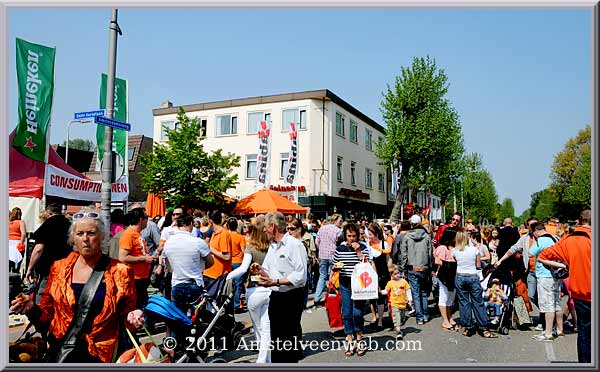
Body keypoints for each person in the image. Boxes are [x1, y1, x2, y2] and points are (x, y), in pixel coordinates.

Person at [10, 208, 145, 362]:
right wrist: (32, 309)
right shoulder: (59, 269)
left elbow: (128, 319)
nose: (85, 239)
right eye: (80, 234)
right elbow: (47, 320)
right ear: (72, 238)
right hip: (62, 352)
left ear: (102, 237)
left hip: (101, 355)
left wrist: (133, 317)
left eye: (91, 233)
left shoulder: (120, 272)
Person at [252, 212, 307, 363]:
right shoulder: (273, 246)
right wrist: (260, 272)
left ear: (273, 227)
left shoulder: (295, 245)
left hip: (292, 296)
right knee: (276, 338)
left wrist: (275, 281)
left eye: (265, 228)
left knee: (288, 338)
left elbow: (300, 276)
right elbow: (269, 270)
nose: (263, 231)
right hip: (276, 296)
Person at [537, 209, 591, 362]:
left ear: (579, 222)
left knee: (585, 332)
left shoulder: (568, 240)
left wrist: (566, 266)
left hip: (580, 292)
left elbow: (542, 256)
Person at [227, 215, 272, 363]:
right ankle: (266, 360)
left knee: (259, 328)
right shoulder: (273, 247)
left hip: (254, 291)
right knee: (266, 329)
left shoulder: (250, 247)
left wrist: (226, 277)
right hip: (270, 289)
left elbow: (243, 269)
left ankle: (261, 360)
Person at [330, 222, 370, 357]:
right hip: (345, 282)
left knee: (358, 313)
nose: (351, 239)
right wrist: (335, 268)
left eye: (354, 236)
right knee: (346, 312)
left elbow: (367, 264)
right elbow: (333, 264)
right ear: (345, 236)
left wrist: (358, 251)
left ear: (358, 236)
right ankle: (349, 338)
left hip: (359, 283)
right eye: (349, 236)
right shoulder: (340, 249)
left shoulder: (363, 247)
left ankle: (359, 337)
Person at [162, 214, 214, 315]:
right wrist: (200, 268)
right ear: (190, 224)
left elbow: (167, 264)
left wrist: (178, 270)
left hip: (177, 283)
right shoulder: (197, 242)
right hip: (195, 283)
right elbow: (210, 261)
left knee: (178, 318)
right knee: (197, 318)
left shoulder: (168, 243)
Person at [495, 218, 540, 328]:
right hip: (521, 269)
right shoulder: (521, 237)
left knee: (514, 292)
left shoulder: (542, 238)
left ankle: (508, 318)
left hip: (514, 268)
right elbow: (514, 249)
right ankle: (522, 319)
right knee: (522, 293)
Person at [452, 231, 496, 338]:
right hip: (472, 276)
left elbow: (455, 262)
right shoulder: (474, 250)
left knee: (464, 302)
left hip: (460, 276)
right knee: (478, 302)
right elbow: (478, 265)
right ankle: (483, 327)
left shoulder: (454, 251)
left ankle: (468, 327)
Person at [26, 204, 72, 303]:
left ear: (48, 213)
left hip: (48, 268)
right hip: (67, 267)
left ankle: (40, 316)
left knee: (43, 296)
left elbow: (38, 249)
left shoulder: (48, 224)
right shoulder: (69, 224)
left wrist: (29, 268)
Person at [528, 221, 565, 342]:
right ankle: (559, 329)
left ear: (535, 231)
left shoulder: (540, 240)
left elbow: (530, 254)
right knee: (557, 302)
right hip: (556, 274)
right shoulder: (554, 238)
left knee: (547, 304)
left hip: (544, 275)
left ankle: (548, 333)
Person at [399, 215, 433, 325]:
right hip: (424, 267)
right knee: (423, 292)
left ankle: (419, 317)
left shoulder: (407, 237)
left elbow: (403, 254)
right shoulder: (427, 236)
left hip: (412, 268)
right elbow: (430, 254)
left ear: (411, 224)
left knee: (416, 293)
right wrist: (430, 267)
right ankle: (426, 314)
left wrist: (403, 267)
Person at [119, 208, 155, 310]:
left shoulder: (137, 234)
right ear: (140, 219)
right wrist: (144, 259)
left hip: (141, 278)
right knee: (137, 307)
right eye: (146, 217)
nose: (148, 220)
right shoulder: (128, 234)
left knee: (142, 305)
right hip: (134, 278)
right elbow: (123, 257)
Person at [314, 214, 343, 307]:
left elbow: (317, 241)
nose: (341, 223)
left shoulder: (322, 228)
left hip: (322, 255)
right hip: (333, 255)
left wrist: (321, 249)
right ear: (335, 220)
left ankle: (317, 298)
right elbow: (340, 243)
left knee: (322, 276)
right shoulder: (338, 231)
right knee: (334, 276)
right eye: (340, 221)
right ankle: (332, 295)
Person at [367, 222, 391, 329]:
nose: (369, 235)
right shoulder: (367, 246)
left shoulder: (384, 244)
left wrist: (391, 271)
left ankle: (380, 319)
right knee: (372, 296)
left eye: (371, 233)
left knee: (381, 296)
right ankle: (374, 316)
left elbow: (388, 259)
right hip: (370, 275)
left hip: (383, 274)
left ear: (376, 233)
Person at [433, 228, 458, 331]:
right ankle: (445, 320)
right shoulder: (442, 248)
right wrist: (449, 264)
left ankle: (450, 317)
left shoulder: (455, 248)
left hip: (453, 275)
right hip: (445, 274)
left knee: (450, 298)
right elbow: (437, 261)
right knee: (444, 296)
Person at [203, 210, 232, 289]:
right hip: (209, 273)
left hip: (217, 276)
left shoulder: (223, 234)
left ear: (210, 221)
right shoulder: (214, 233)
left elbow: (227, 256)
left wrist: (210, 249)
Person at [382, 266, 412, 339]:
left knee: (401, 318)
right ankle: (398, 331)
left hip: (403, 304)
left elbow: (408, 290)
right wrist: (380, 291)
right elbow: (386, 291)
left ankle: (398, 326)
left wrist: (410, 299)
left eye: (398, 273)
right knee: (397, 318)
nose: (397, 275)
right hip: (394, 304)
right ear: (391, 275)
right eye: (395, 274)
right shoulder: (390, 283)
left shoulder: (404, 281)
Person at [227, 217, 247, 313]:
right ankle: (236, 305)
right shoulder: (240, 237)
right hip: (238, 262)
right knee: (238, 285)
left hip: (228, 262)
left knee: (228, 285)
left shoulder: (226, 236)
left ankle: (229, 304)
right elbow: (244, 251)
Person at [9, 207, 26, 272]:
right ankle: (14, 279)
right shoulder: (21, 222)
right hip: (17, 243)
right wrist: (21, 244)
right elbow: (23, 234)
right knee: (17, 264)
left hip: (8, 243)